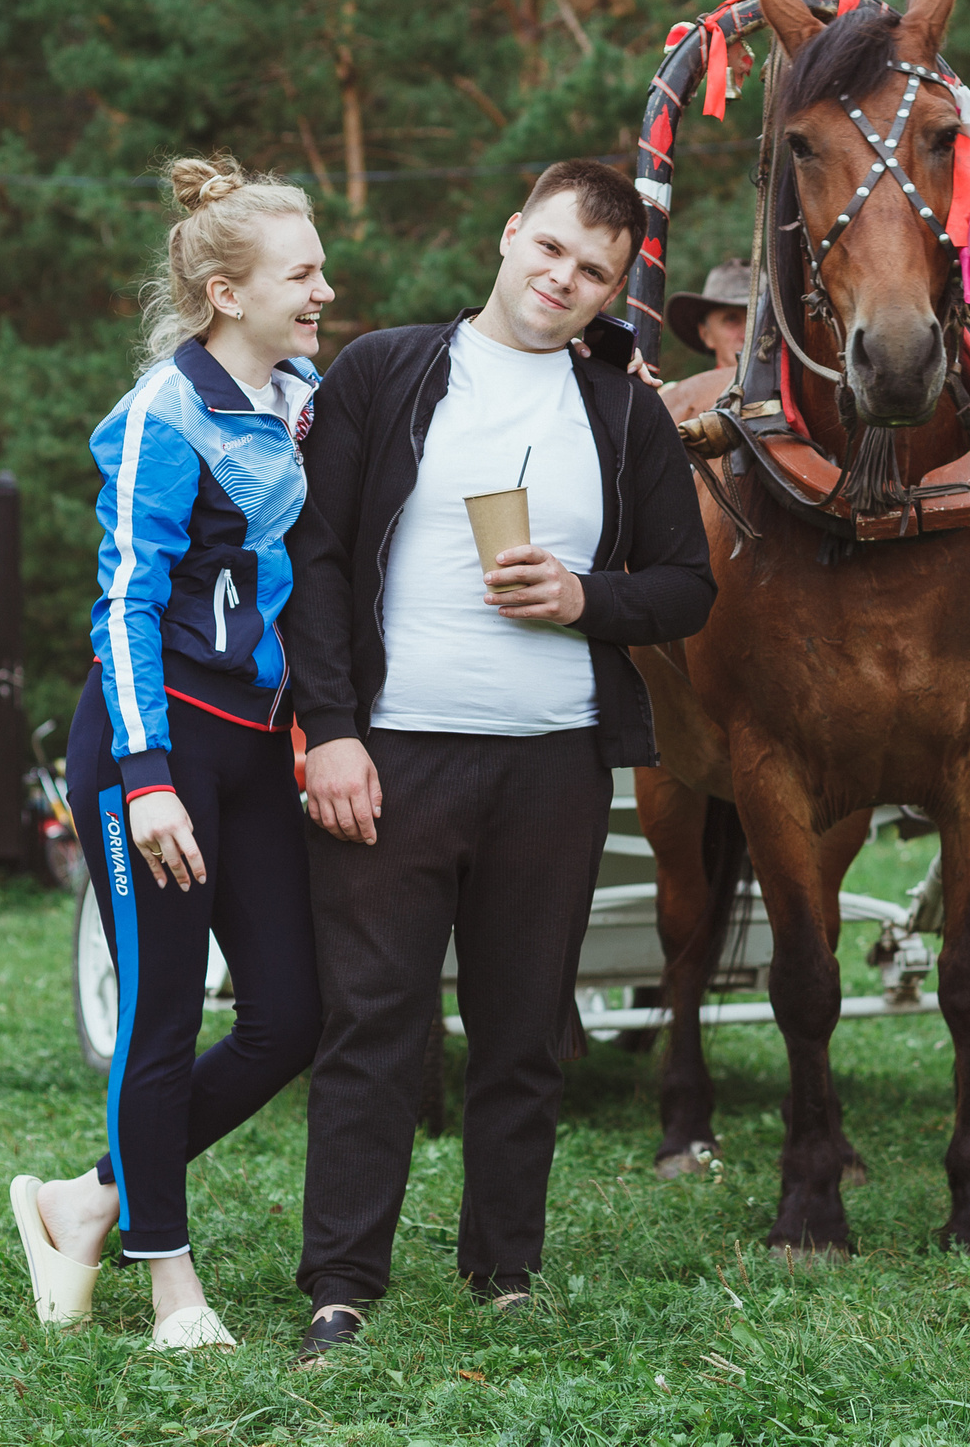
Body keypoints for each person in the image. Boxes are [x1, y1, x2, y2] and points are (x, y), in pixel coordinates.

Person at [284, 159, 715, 1361]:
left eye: (594, 273)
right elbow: (313, 564)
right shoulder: (384, 369)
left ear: (612, 293)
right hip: (394, 758)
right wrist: (330, 732)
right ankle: (340, 1284)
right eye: (553, 251)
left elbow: (686, 586)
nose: (563, 282)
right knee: (373, 1024)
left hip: (550, 767)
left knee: (526, 1032)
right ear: (511, 233)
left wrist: (582, 595)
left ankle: (503, 1269)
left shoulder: (624, 412)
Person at [7, 156, 331, 1352]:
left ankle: (86, 1199)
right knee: (157, 1017)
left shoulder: (304, 397)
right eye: (302, 273)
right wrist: (144, 779)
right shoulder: (161, 412)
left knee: (287, 1019)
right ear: (224, 294)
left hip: (253, 747)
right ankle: (168, 1286)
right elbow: (126, 602)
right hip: (156, 748)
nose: (322, 290)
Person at [662, 257, 752, 372]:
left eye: (757, 319)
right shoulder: (686, 390)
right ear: (706, 334)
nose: (747, 336)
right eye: (731, 319)